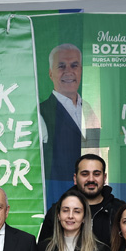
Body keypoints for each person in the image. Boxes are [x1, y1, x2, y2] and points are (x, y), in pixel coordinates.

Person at [39, 44, 101, 191]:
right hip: (58, 196)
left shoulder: (90, 110)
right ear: (50, 73)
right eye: (61, 66)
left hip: (91, 194)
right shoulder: (41, 112)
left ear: (81, 71)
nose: (68, 72)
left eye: (74, 65)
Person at [36, 154, 126, 247]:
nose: (91, 179)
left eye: (96, 174)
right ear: (75, 178)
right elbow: (44, 250)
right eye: (85, 174)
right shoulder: (57, 211)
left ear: (104, 177)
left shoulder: (119, 210)